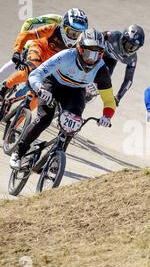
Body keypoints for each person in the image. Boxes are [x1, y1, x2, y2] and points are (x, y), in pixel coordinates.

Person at [9, 28, 116, 169]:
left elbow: (109, 100)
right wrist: (40, 89)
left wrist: (107, 116)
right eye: (89, 52)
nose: (92, 59)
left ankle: (56, 158)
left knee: (73, 124)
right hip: (52, 84)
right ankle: (19, 152)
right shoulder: (66, 56)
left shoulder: (102, 70)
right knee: (45, 119)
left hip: (75, 91)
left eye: (97, 54)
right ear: (79, 48)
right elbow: (36, 74)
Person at [0, 8, 88, 112]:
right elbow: (25, 35)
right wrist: (17, 51)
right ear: (63, 26)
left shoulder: (80, 45)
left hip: (53, 63)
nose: (73, 36)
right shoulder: (53, 29)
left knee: (39, 96)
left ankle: (19, 121)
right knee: (29, 71)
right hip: (40, 49)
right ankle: (5, 86)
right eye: (70, 32)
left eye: (77, 34)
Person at [0, 13, 63, 101]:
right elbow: (30, 22)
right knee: (15, 62)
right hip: (37, 42)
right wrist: (23, 45)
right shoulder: (56, 19)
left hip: (51, 55)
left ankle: (27, 86)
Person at [97, 24, 145, 106]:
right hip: (98, 53)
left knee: (104, 79)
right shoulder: (113, 35)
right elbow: (95, 37)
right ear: (123, 39)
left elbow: (128, 80)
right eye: (129, 45)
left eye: (134, 48)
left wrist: (118, 97)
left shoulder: (132, 59)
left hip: (110, 61)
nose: (129, 50)